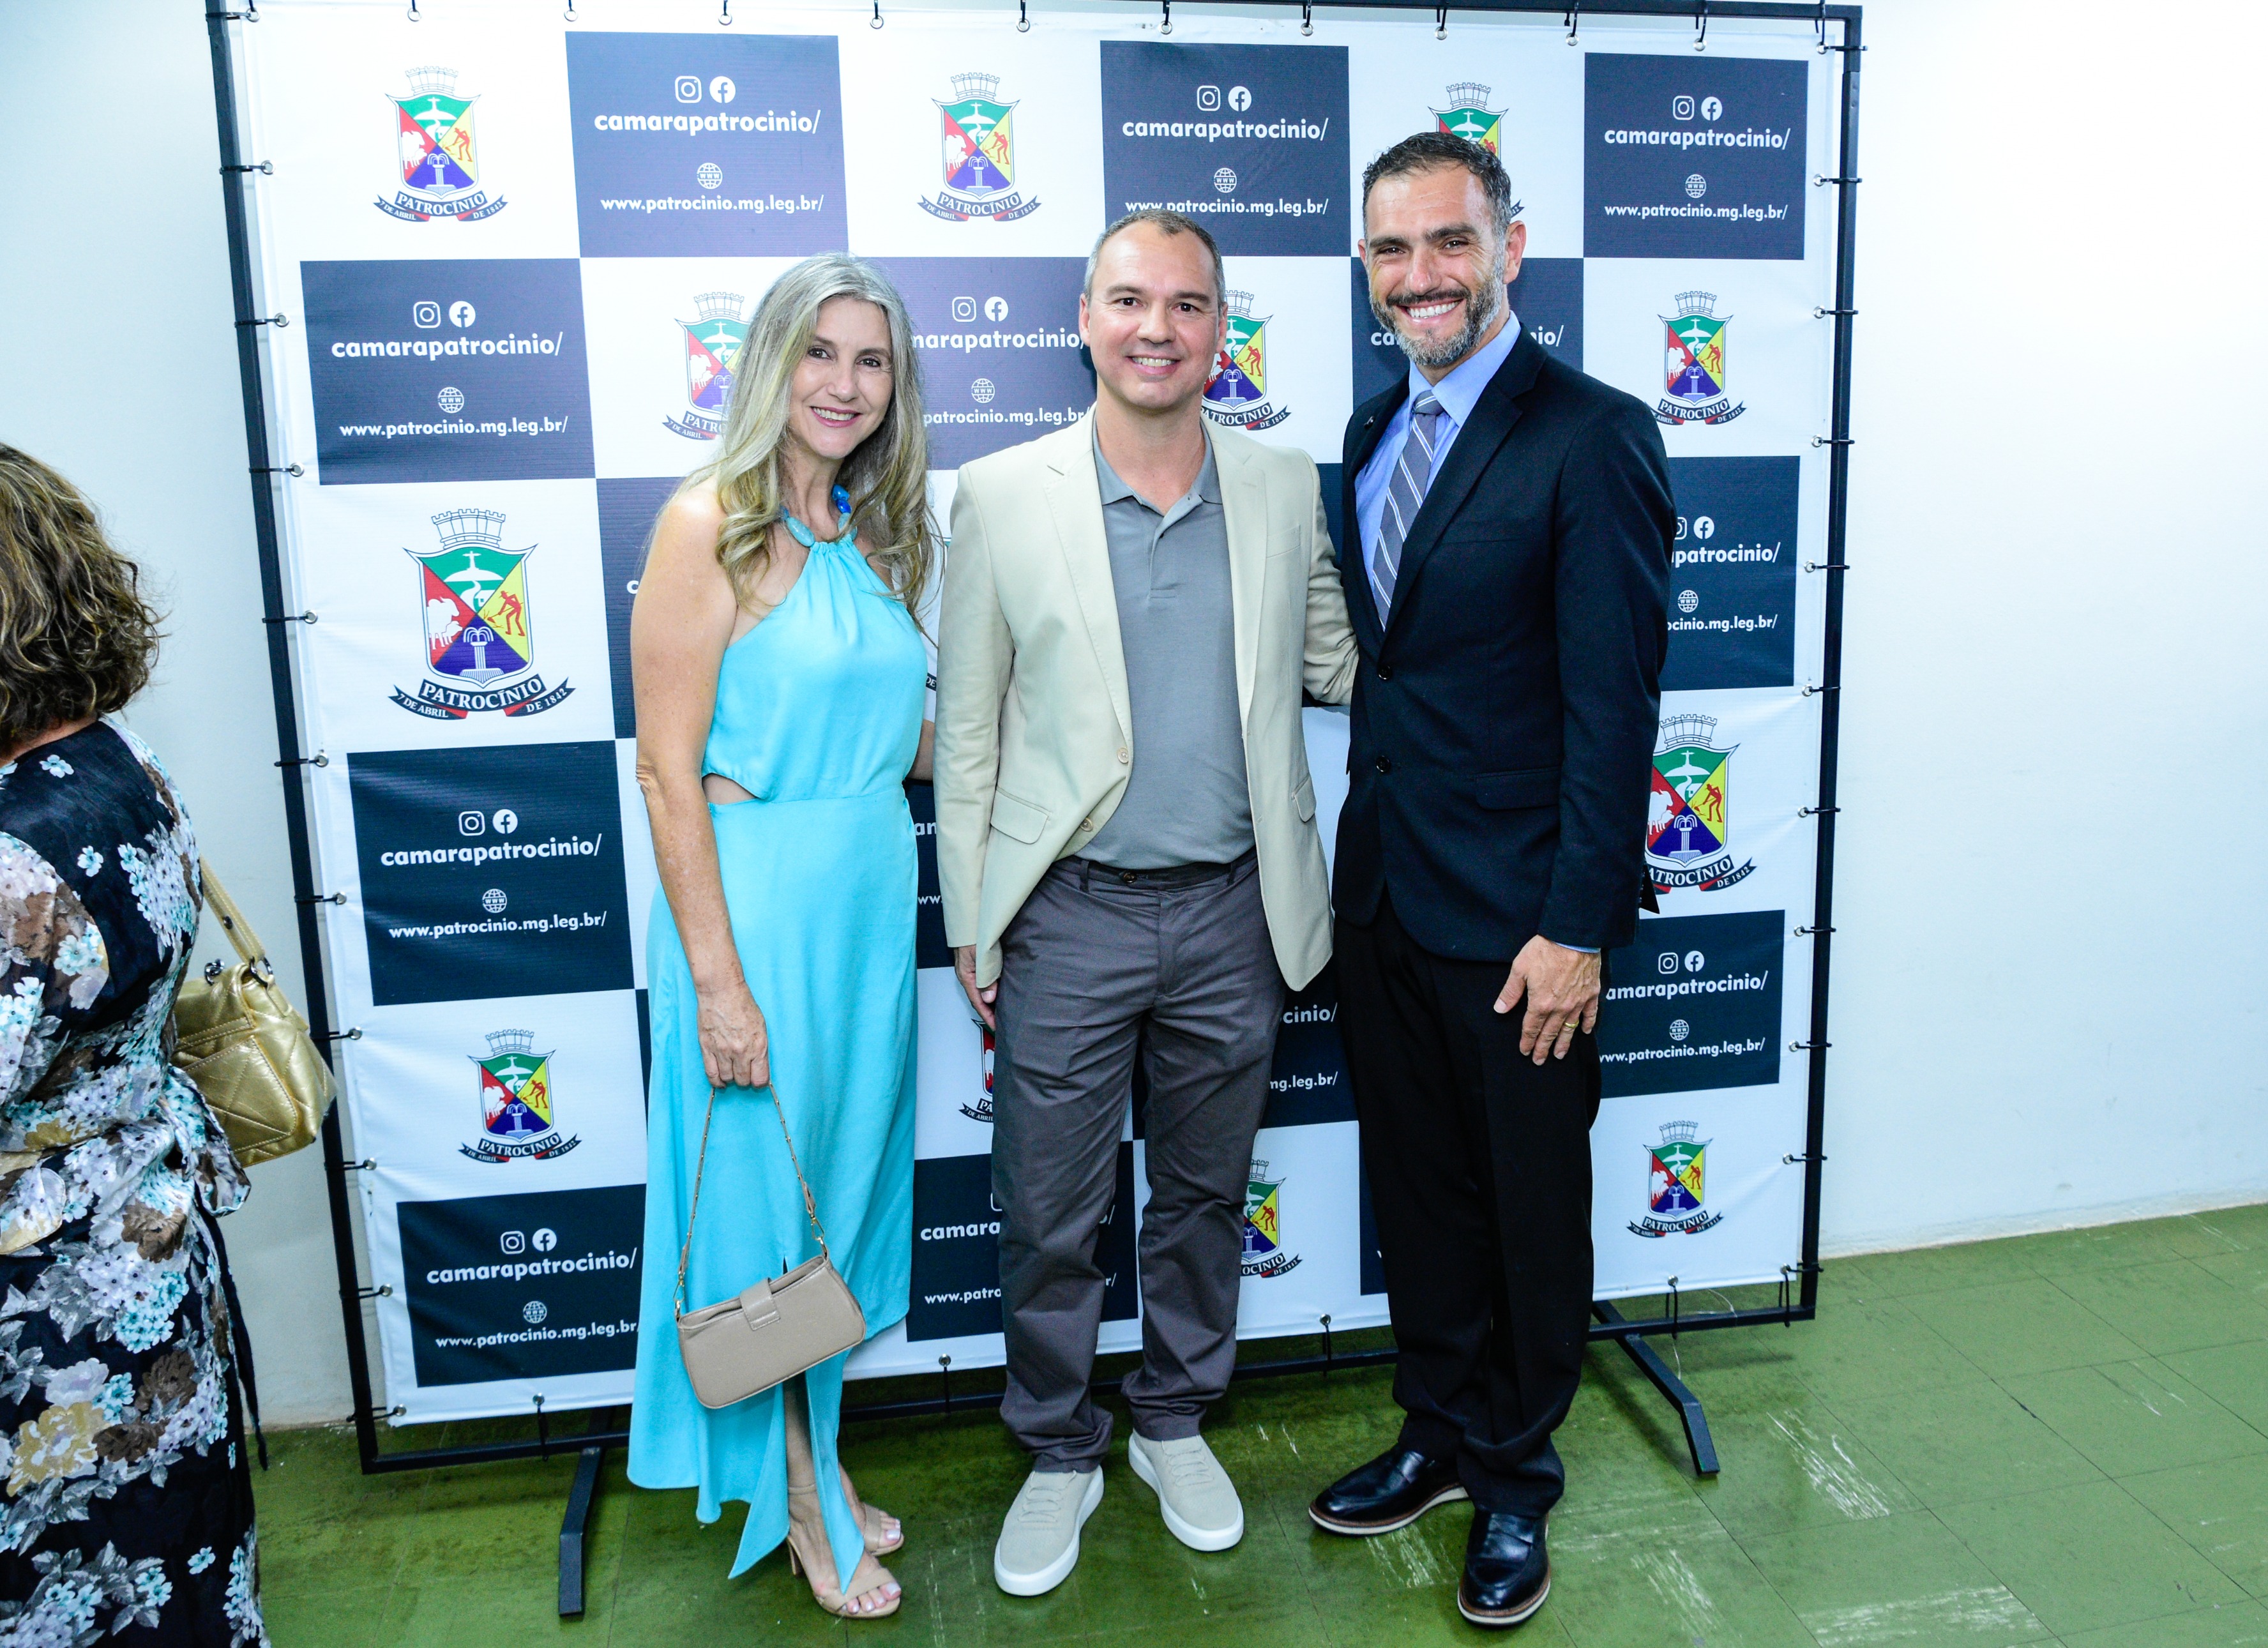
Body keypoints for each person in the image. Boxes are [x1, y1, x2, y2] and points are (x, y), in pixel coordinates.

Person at [935, 208, 1357, 1597]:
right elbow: (971, 729)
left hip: (1237, 912)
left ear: (1221, 328)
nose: (1156, 328)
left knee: (1201, 1197)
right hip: (1066, 914)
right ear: (1085, 319)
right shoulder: (1002, 494)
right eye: (1128, 300)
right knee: (1048, 1210)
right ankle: (1059, 1445)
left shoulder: (1283, 483)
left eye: (1186, 303)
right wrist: (971, 915)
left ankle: (1174, 1418)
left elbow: (1338, 661)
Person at [1307, 133, 1674, 1630]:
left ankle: (1517, 1476)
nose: (1421, 276)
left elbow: (1615, 709)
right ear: (1366, 271)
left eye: (1449, 242)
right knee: (1423, 1197)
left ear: (1509, 249)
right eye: (1391, 250)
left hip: (1525, 924)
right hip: (1387, 898)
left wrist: (1577, 925)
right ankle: (1440, 1433)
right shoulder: (1369, 427)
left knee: (1525, 1208)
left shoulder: (1592, 434)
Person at [628, 255, 935, 1621]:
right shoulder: (710, 522)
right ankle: (800, 1501)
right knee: (764, 1212)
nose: (844, 384)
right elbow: (666, 769)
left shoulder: (866, 532)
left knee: (834, 1203)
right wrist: (717, 984)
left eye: (871, 360)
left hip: (862, 907)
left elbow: (903, 737)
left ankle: (819, 1453)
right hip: (755, 918)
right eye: (820, 352)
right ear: (769, 361)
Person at [0, 445, 264, 1643]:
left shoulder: (13, 860)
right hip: (147, 1255)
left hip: (50, 1323)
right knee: (177, 1576)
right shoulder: (117, 757)